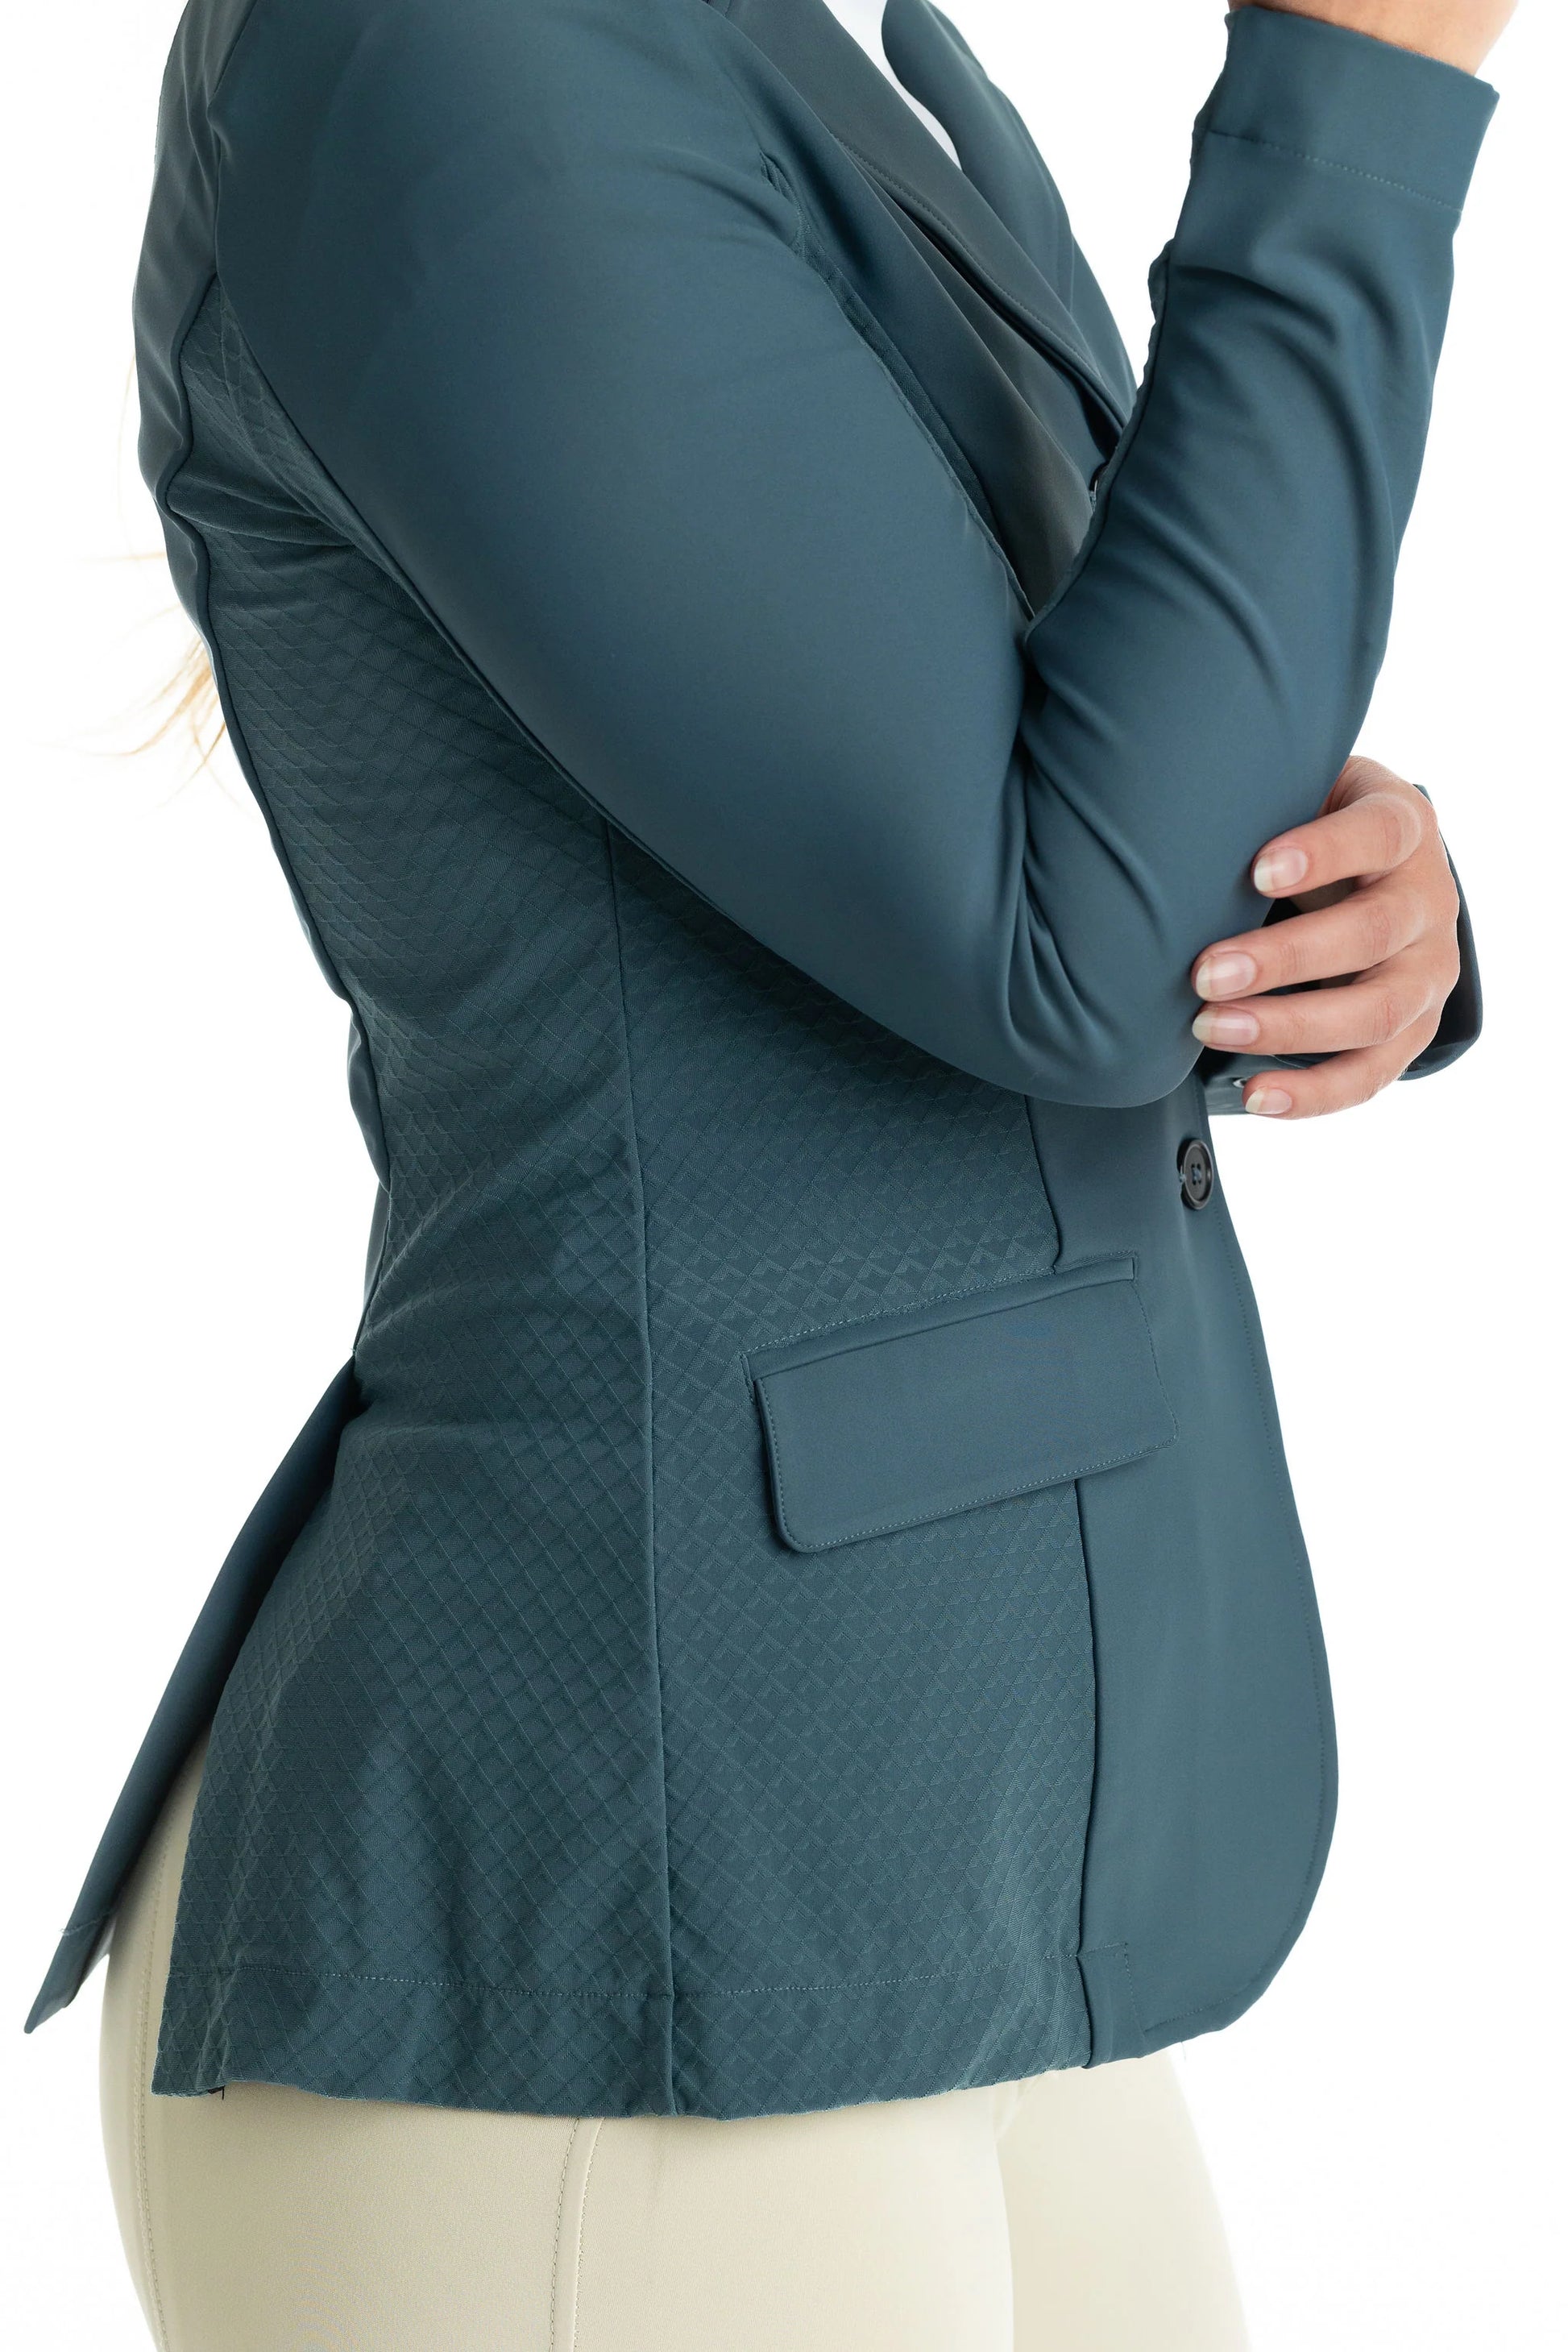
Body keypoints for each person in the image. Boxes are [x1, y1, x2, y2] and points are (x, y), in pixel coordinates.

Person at [28, 0, 1510, 2343]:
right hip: (621, 1906)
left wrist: (1343, 921)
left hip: (951, 1833)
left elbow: (1072, 835)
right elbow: (1059, 948)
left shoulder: (826, 46)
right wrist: (1360, 84)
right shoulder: (445, 53)